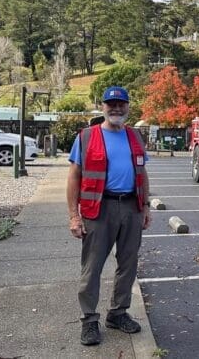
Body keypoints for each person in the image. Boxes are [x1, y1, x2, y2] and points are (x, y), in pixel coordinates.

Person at [66, 86, 152, 346]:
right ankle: (89, 320)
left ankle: (117, 313)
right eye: (110, 104)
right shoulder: (86, 136)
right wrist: (74, 216)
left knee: (128, 264)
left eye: (121, 104)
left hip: (131, 207)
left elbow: (143, 173)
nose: (116, 108)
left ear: (128, 106)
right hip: (98, 209)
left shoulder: (135, 136)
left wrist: (145, 206)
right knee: (92, 267)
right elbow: (74, 177)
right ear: (102, 106)